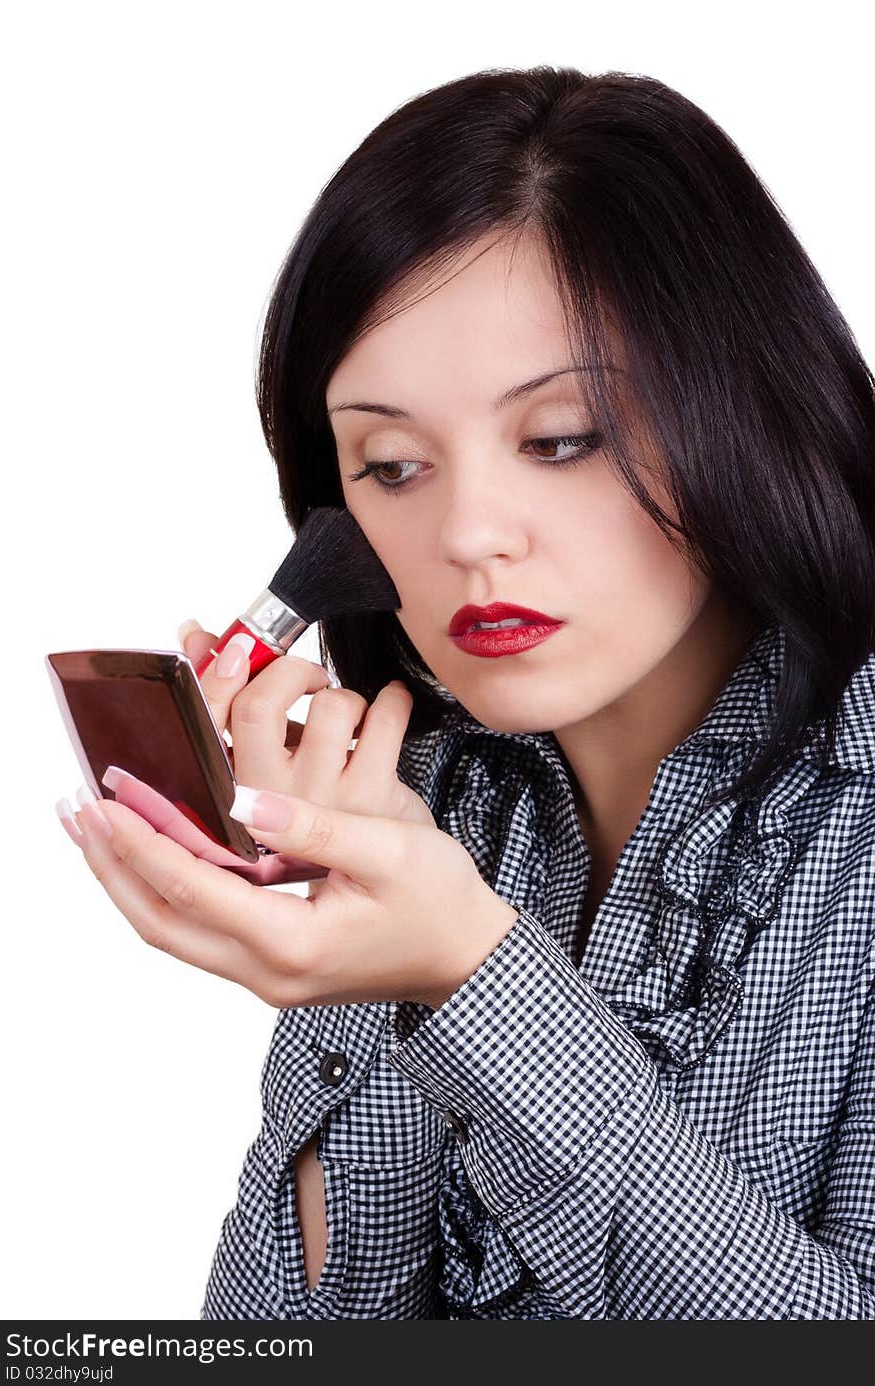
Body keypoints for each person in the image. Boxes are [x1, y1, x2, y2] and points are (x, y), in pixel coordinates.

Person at [58, 66, 875, 1319]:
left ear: (740, 406)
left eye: (560, 439)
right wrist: (369, 962)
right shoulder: (422, 805)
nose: (469, 534)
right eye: (391, 464)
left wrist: (469, 977)